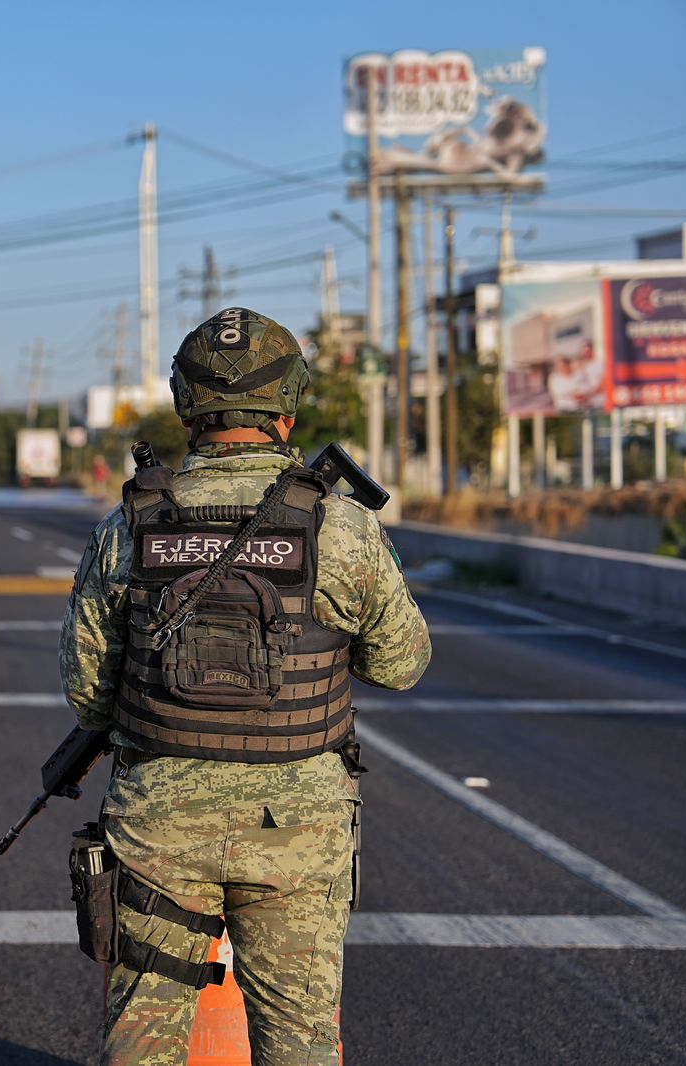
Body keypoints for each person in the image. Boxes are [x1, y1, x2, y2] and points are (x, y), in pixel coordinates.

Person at [60, 307, 432, 1065]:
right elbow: (402, 663)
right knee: (298, 1043)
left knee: (142, 1042)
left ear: (185, 404)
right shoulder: (341, 525)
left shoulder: (128, 525)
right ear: (288, 407)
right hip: (294, 831)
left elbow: (86, 689)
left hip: (158, 824)